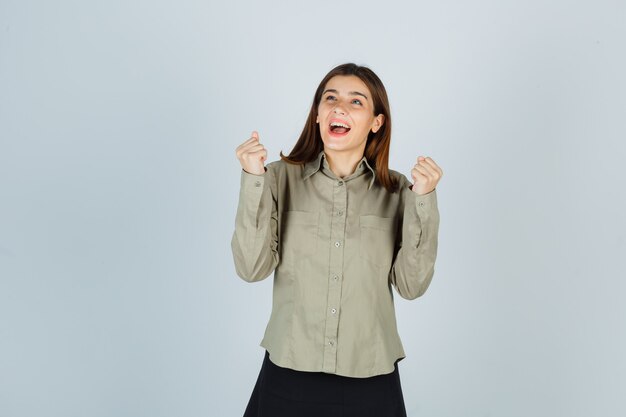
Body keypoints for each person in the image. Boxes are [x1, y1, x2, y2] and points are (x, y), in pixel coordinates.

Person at [231, 62, 443, 417]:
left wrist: (424, 199)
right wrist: (253, 178)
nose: (339, 107)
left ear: (377, 122)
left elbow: (411, 285)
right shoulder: (277, 179)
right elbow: (251, 268)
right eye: (330, 98)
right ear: (317, 114)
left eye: (356, 101)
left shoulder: (398, 191)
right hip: (289, 372)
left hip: (370, 378)